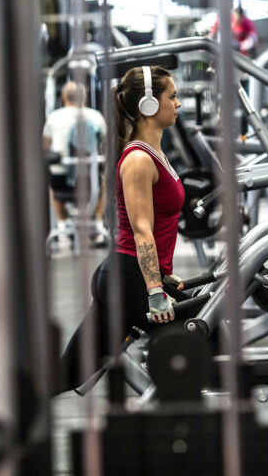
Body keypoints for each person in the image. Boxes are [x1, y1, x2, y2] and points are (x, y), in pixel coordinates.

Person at [57, 66, 184, 393]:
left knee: (64, 374)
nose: (178, 104)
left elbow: (154, 228)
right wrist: (156, 292)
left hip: (128, 276)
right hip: (128, 280)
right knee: (202, 340)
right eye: (172, 97)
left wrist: (163, 275)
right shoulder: (138, 160)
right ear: (149, 106)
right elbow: (141, 229)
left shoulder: (154, 154)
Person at [42, 81, 107, 240]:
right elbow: (108, 143)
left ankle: (62, 223)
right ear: (84, 97)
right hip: (90, 180)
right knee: (105, 181)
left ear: (63, 97)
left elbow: (45, 146)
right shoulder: (95, 116)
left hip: (61, 181)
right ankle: (98, 223)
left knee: (51, 181)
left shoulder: (53, 117)